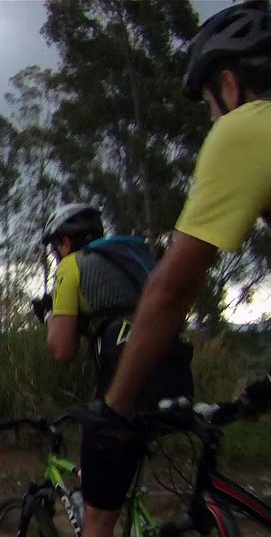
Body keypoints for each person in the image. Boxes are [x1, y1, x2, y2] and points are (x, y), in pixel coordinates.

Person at [31, 203, 194, 537]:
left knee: (100, 516)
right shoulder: (138, 257)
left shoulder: (73, 268)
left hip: (127, 395)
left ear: (65, 242)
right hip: (175, 386)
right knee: (118, 484)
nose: (57, 255)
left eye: (57, 247)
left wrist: (49, 315)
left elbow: (61, 350)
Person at [103, 0, 271, 425]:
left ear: (229, 84)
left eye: (210, 104)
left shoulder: (245, 126)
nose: (213, 118)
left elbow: (172, 291)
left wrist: (115, 408)